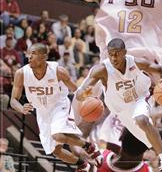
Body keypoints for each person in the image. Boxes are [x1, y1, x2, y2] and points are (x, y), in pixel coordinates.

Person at [77, 38, 162, 172]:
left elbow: (160, 69)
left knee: (141, 119)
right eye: (111, 54)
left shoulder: (136, 63)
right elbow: (80, 92)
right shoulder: (102, 70)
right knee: (150, 142)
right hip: (122, 110)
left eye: (117, 53)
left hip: (140, 97)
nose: (114, 57)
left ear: (125, 52)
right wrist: (83, 94)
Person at [10, 43, 102, 172]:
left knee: (58, 135)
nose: (29, 57)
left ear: (44, 57)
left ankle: (89, 147)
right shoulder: (21, 73)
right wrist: (21, 108)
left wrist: (85, 95)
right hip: (42, 111)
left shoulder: (58, 71)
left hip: (59, 105)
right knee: (56, 151)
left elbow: (76, 89)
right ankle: (82, 164)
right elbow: (13, 100)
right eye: (28, 54)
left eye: (33, 54)